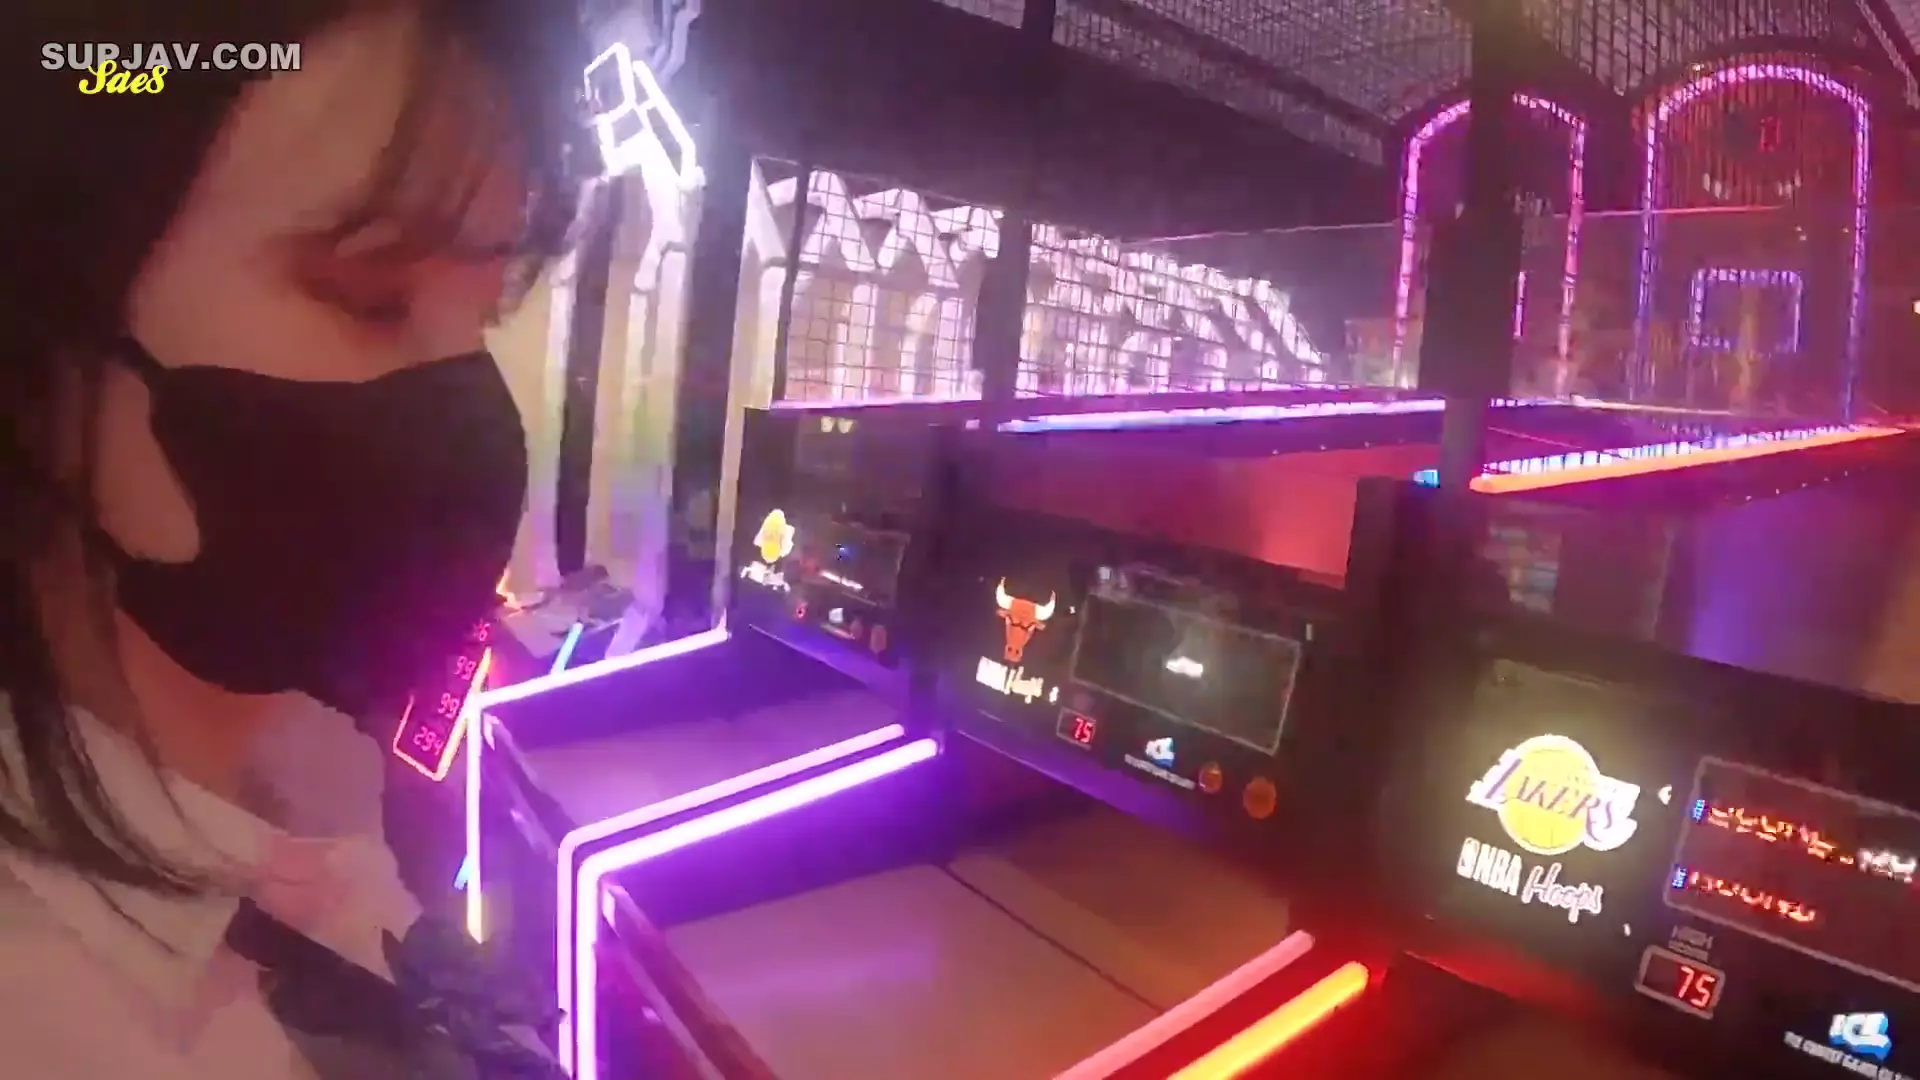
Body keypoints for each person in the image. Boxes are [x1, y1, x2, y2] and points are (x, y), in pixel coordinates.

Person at [2, 2, 586, 1076]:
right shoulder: (54, 1017)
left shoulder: (301, 783)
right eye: (369, 298)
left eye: (482, 316)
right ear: (43, 329)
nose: (469, 415)